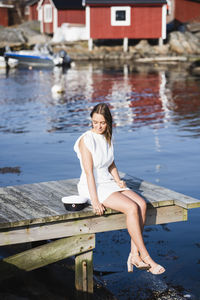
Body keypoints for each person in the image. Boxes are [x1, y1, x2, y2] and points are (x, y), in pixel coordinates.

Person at [74, 103, 165, 275]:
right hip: (92, 186)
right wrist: (94, 201)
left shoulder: (107, 137)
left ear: (108, 122)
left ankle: (134, 255)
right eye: (95, 122)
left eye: (102, 123)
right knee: (131, 208)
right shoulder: (86, 140)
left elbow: (110, 163)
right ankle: (145, 256)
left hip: (108, 181)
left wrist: (118, 180)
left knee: (141, 204)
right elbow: (88, 173)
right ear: (91, 121)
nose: (98, 126)